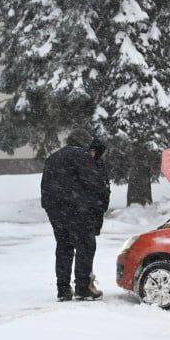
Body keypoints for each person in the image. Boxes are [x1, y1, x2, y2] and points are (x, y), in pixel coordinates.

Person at [40, 129, 110, 301]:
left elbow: (45, 186)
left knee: (64, 247)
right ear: (85, 143)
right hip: (79, 209)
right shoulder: (82, 156)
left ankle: (63, 289)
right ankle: (83, 288)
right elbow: (94, 184)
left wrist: (52, 207)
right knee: (85, 246)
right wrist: (97, 203)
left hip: (56, 210)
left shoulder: (53, 158)